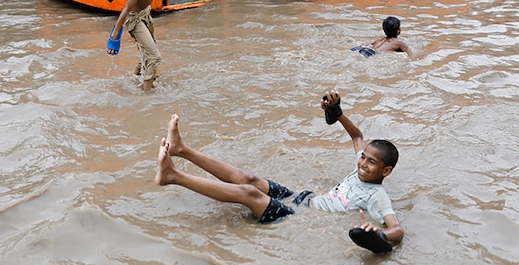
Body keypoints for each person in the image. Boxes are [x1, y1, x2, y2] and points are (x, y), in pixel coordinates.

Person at [154, 90, 404, 253]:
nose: (362, 163)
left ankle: (173, 176)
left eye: (371, 162)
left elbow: (398, 231)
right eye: (364, 157)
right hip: (302, 199)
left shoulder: (377, 196)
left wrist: (379, 233)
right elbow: (358, 136)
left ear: (387, 170)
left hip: (296, 215)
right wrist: (337, 112)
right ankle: (181, 149)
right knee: (250, 179)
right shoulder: (361, 165)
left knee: (248, 192)